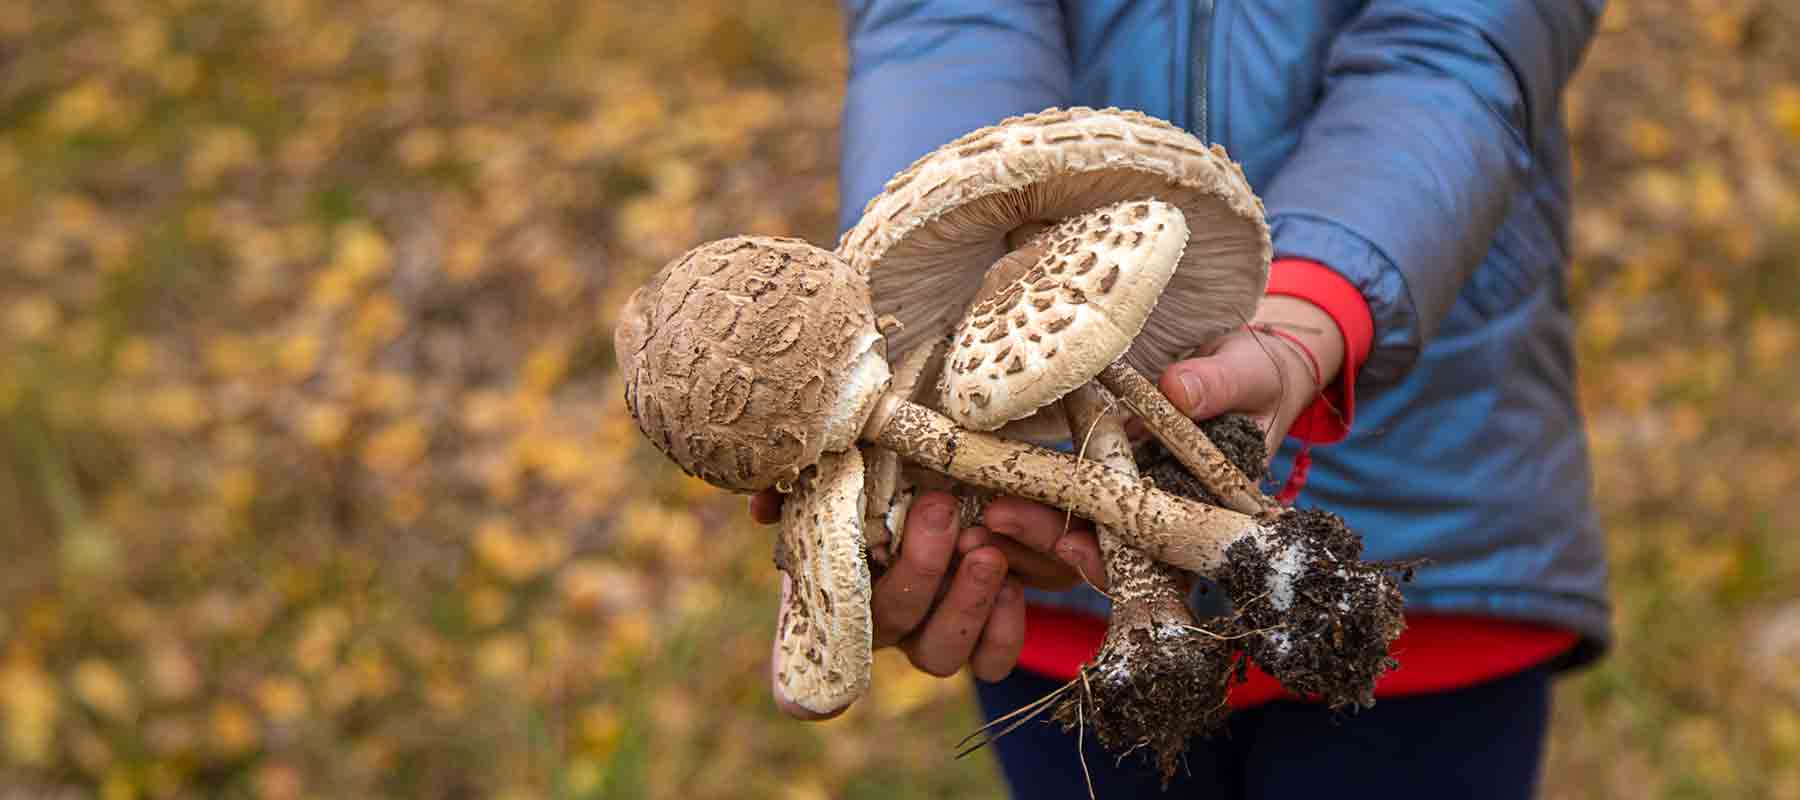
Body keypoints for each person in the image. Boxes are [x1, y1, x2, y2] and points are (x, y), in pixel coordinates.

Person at [751, 2, 1612, 796]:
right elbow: (943, 18)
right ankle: (1158, 613)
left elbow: (1459, 36)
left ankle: (1273, 567)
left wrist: (1320, 308)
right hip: (1054, 595)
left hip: (1438, 506)